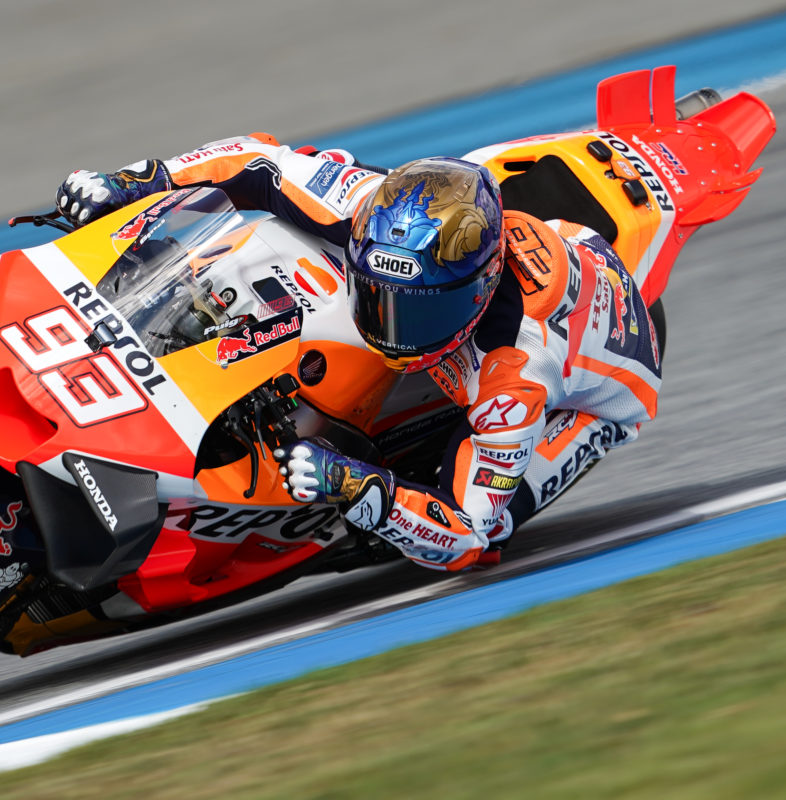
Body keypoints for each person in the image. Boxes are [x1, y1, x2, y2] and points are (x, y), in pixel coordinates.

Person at [55, 133, 663, 571]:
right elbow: (257, 158)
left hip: (594, 397)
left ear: (475, 292)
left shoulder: (516, 377)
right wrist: (135, 181)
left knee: (489, 525)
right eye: (380, 298)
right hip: (526, 252)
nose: (392, 328)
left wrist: (353, 486)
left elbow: (467, 535)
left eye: (417, 310)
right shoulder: (365, 205)